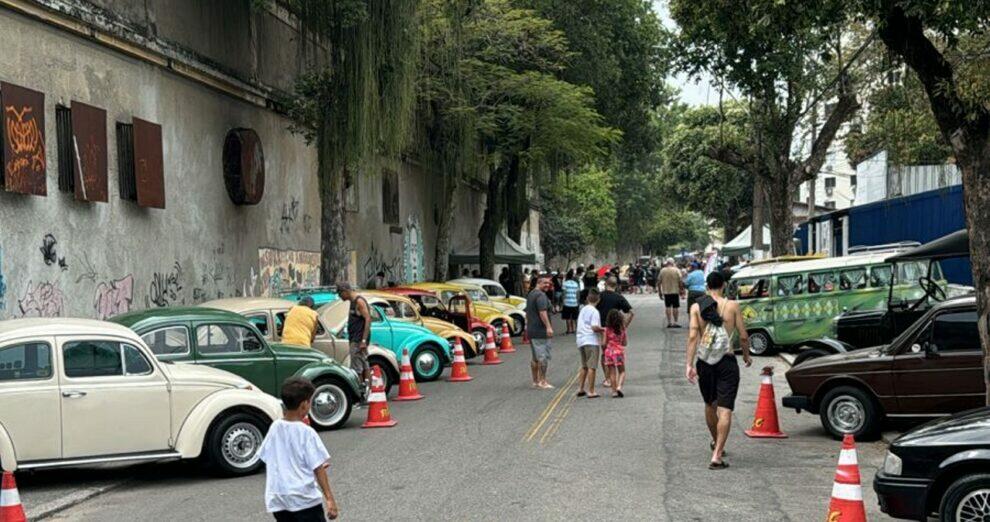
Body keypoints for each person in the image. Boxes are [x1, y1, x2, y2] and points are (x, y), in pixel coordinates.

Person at [685, 271, 752, 470]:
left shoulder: (696, 307)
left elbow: (692, 337)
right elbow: (743, 336)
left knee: (709, 404)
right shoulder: (732, 306)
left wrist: (689, 364)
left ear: (707, 285)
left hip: (704, 362)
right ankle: (717, 454)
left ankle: (716, 442)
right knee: (725, 408)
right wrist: (747, 356)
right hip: (726, 361)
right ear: (723, 285)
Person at [259, 377, 339, 521]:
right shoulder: (307, 432)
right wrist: (330, 499)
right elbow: (318, 468)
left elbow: (269, 457)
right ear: (303, 405)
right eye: (309, 402)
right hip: (304, 500)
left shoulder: (275, 427)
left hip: (279, 499)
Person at [596, 277, 633, 386]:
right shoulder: (618, 297)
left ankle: (607, 378)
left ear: (605, 284)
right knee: (616, 353)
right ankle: (615, 377)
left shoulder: (600, 296)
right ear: (616, 286)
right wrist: (623, 326)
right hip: (615, 329)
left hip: (603, 329)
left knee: (605, 354)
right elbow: (631, 313)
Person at [339, 283, 372, 387]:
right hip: (356, 337)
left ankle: (361, 392)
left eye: (340, 294)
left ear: (345, 291)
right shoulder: (352, 302)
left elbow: (368, 319)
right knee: (364, 364)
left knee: (356, 367)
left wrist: (363, 340)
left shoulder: (359, 301)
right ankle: (368, 390)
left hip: (358, 339)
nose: (340, 297)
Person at [525, 274, 554, 389]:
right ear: (539, 282)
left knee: (535, 357)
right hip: (540, 331)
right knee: (543, 357)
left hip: (532, 330)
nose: (548, 285)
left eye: (549, 283)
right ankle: (543, 381)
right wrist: (548, 327)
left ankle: (535, 381)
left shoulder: (531, 294)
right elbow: (543, 312)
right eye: (545, 283)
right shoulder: (541, 296)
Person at [575, 288, 603, 398]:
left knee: (584, 365)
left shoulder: (583, 309)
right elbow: (594, 327)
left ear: (587, 298)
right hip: (591, 339)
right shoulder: (595, 311)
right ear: (598, 299)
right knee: (592, 366)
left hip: (581, 339)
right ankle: (591, 390)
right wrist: (603, 329)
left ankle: (581, 388)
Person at [603, 309, 628, 398]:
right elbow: (625, 343)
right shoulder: (622, 329)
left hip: (609, 351)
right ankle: (619, 386)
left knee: (612, 373)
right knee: (622, 371)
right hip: (618, 352)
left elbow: (604, 343)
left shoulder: (607, 329)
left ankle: (614, 392)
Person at [659, 259, 684, 328]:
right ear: (673, 263)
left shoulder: (662, 270)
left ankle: (669, 322)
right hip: (675, 291)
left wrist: (660, 292)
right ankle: (675, 322)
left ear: (667, 263)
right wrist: (682, 289)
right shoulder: (676, 270)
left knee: (668, 307)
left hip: (666, 292)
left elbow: (659, 282)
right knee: (675, 307)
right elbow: (680, 280)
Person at [561, 270, 580, 334]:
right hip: (574, 303)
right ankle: (575, 329)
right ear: (572, 277)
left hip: (567, 303)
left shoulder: (565, 283)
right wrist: (577, 301)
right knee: (574, 318)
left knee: (568, 317)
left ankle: (569, 330)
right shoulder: (576, 284)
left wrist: (563, 301)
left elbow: (564, 293)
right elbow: (577, 294)